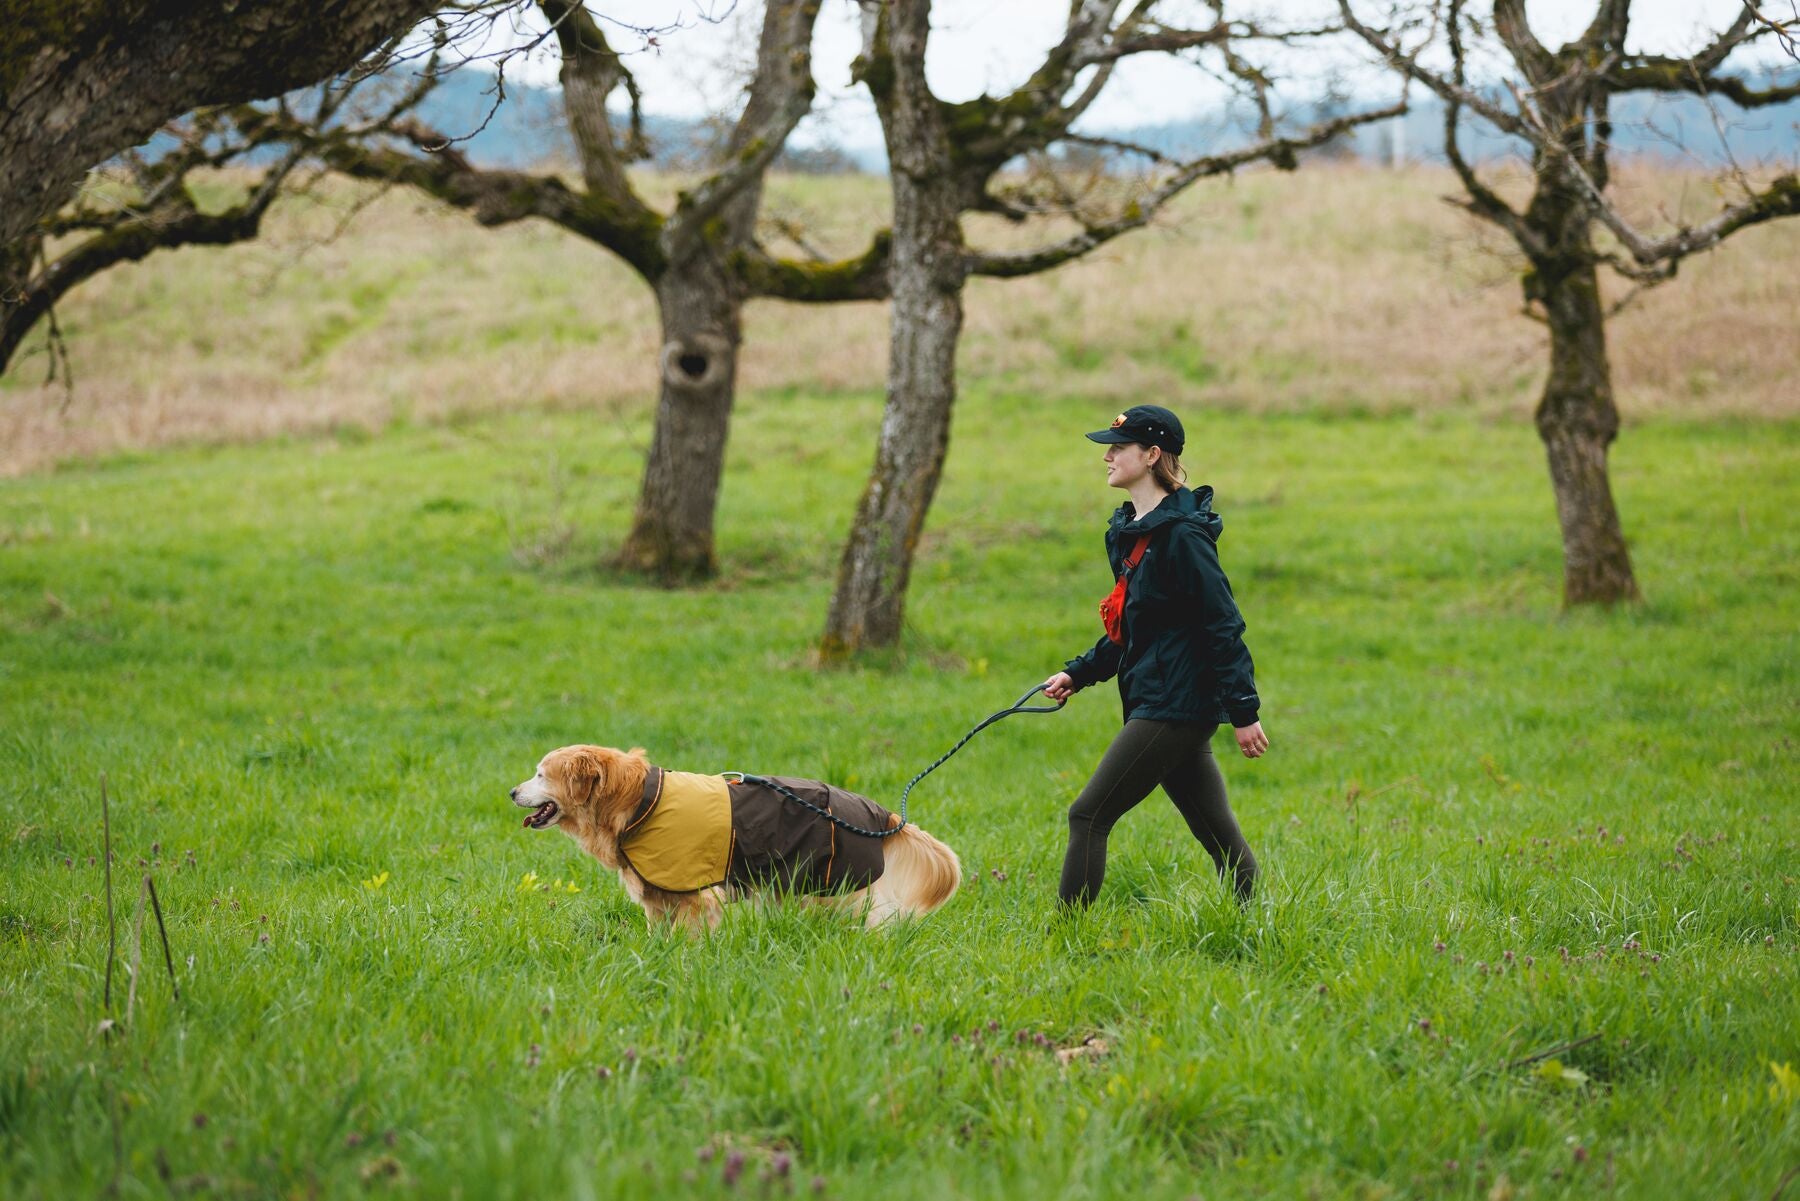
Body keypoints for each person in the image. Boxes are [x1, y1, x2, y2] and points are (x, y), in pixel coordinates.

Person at [1042, 404, 1267, 907]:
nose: (1107, 456)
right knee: (1219, 837)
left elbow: (1223, 624)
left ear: (1151, 455)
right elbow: (1131, 628)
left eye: (1118, 448)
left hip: (1175, 704)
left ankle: (1065, 938)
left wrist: (1244, 713)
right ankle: (1255, 922)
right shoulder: (1130, 532)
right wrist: (1077, 674)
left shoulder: (1183, 537)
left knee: (1088, 815)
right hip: (1158, 696)